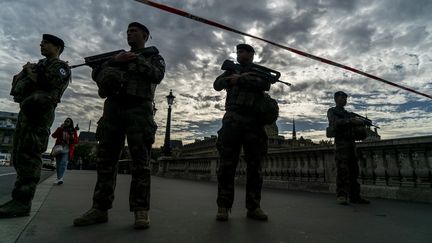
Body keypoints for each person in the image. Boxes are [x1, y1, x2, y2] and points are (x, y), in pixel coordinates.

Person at [73, 22, 165, 229]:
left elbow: (157, 75)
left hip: (139, 111)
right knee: (106, 161)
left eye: (134, 31)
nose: (129, 34)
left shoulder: (153, 57)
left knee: (141, 163)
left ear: (145, 35)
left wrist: (136, 59)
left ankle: (141, 211)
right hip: (113, 109)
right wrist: (115, 60)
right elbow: (97, 75)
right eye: (127, 32)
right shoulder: (115, 58)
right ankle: (99, 208)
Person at [0, 34, 70, 218]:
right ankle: (18, 199)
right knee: (19, 155)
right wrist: (25, 73)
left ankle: (22, 202)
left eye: (46, 43)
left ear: (57, 48)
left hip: (39, 115)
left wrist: (31, 74)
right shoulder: (39, 66)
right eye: (41, 43)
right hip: (26, 112)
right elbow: (16, 91)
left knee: (30, 155)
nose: (42, 45)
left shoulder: (61, 67)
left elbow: (48, 84)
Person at [213, 44, 272, 221]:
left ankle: (254, 206)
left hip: (254, 123)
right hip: (233, 120)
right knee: (226, 166)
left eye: (244, 51)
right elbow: (217, 84)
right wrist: (233, 79)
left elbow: (265, 84)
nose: (240, 54)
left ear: (252, 55)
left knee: (255, 167)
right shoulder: (230, 70)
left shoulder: (258, 71)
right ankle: (223, 206)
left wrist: (241, 78)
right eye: (238, 51)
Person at [327, 91, 370, 205]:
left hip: (351, 143)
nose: (344, 100)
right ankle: (341, 195)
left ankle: (355, 196)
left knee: (354, 171)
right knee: (342, 170)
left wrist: (360, 122)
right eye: (342, 98)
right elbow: (334, 122)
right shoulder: (332, 111)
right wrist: (350, 121)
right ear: (336, 99)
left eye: (345, 98)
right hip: (341, 144)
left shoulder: (349, 113)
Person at [51, 117, 79, 185]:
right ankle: (58, 178)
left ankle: (60, 178)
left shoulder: (73, 131)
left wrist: (72, 136)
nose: (66, 122)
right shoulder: (60, 129)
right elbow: (53, 136)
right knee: (58, 165)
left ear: (70, 123)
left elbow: (76, 141)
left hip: (67, 150)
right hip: (58, 149)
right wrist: (60, 128)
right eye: (65, 121)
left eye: (68, 121)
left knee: (63, 164)